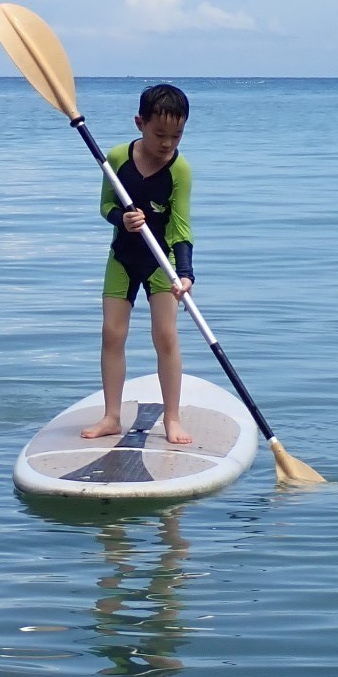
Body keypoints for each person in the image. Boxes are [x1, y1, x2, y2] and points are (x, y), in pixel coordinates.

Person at [82, 83, 194, 447]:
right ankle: (111, 417)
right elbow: (104, 206)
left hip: (164, 262)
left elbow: (180, 226)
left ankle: (172, 417)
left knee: (165, 336)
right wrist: (122, 219)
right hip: (123, 258)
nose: (167, 144)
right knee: (112, 334)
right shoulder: (116, 158)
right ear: (139, 123)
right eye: (159, 134)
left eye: (176, 135)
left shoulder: (180, 170)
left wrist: (187, 273)